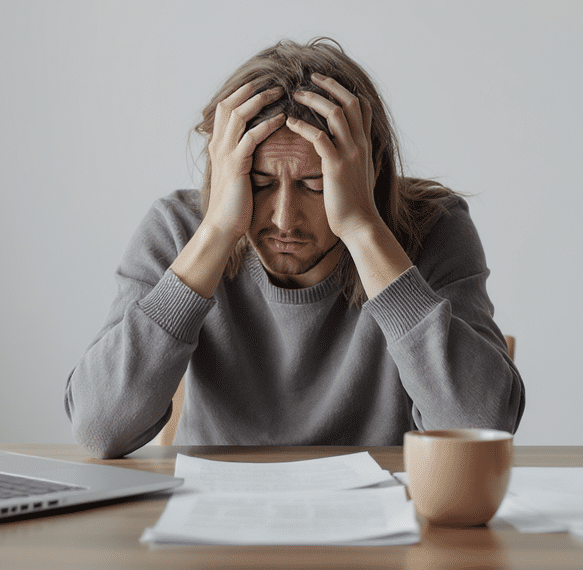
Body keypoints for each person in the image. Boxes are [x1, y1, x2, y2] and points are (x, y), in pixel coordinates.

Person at [64, 38, 524, 459]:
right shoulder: (177, 230)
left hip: (380, 529)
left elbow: (480, 426)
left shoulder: (433, 229)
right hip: (215, 527)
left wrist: (364, 230)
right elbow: (100, 427)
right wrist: (216, 233)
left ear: (368, 170)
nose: (285, 219)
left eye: (315, 186)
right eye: (260, 184)